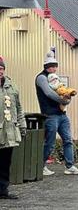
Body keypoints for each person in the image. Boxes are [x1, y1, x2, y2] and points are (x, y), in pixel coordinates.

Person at [35, 51, 78, 176]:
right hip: (50, 114)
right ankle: (41, 165)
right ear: (46, 66)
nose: (54, 68)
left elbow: (62, 90)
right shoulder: (42, 77)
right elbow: (48, 93)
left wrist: (67, 97)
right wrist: (63, 100)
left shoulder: (54, 77)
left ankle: (70, 166)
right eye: (51, 66)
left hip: (62, 114)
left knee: (68, 140)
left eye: (55, 66)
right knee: (49, 143)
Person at [0, 56, 26, 199]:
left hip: (9, 131)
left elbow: (18, 108)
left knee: (5, 162)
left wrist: (23, 127)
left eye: (2, 68)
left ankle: (3, 190)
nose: (0, 71)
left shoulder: (12, 86)